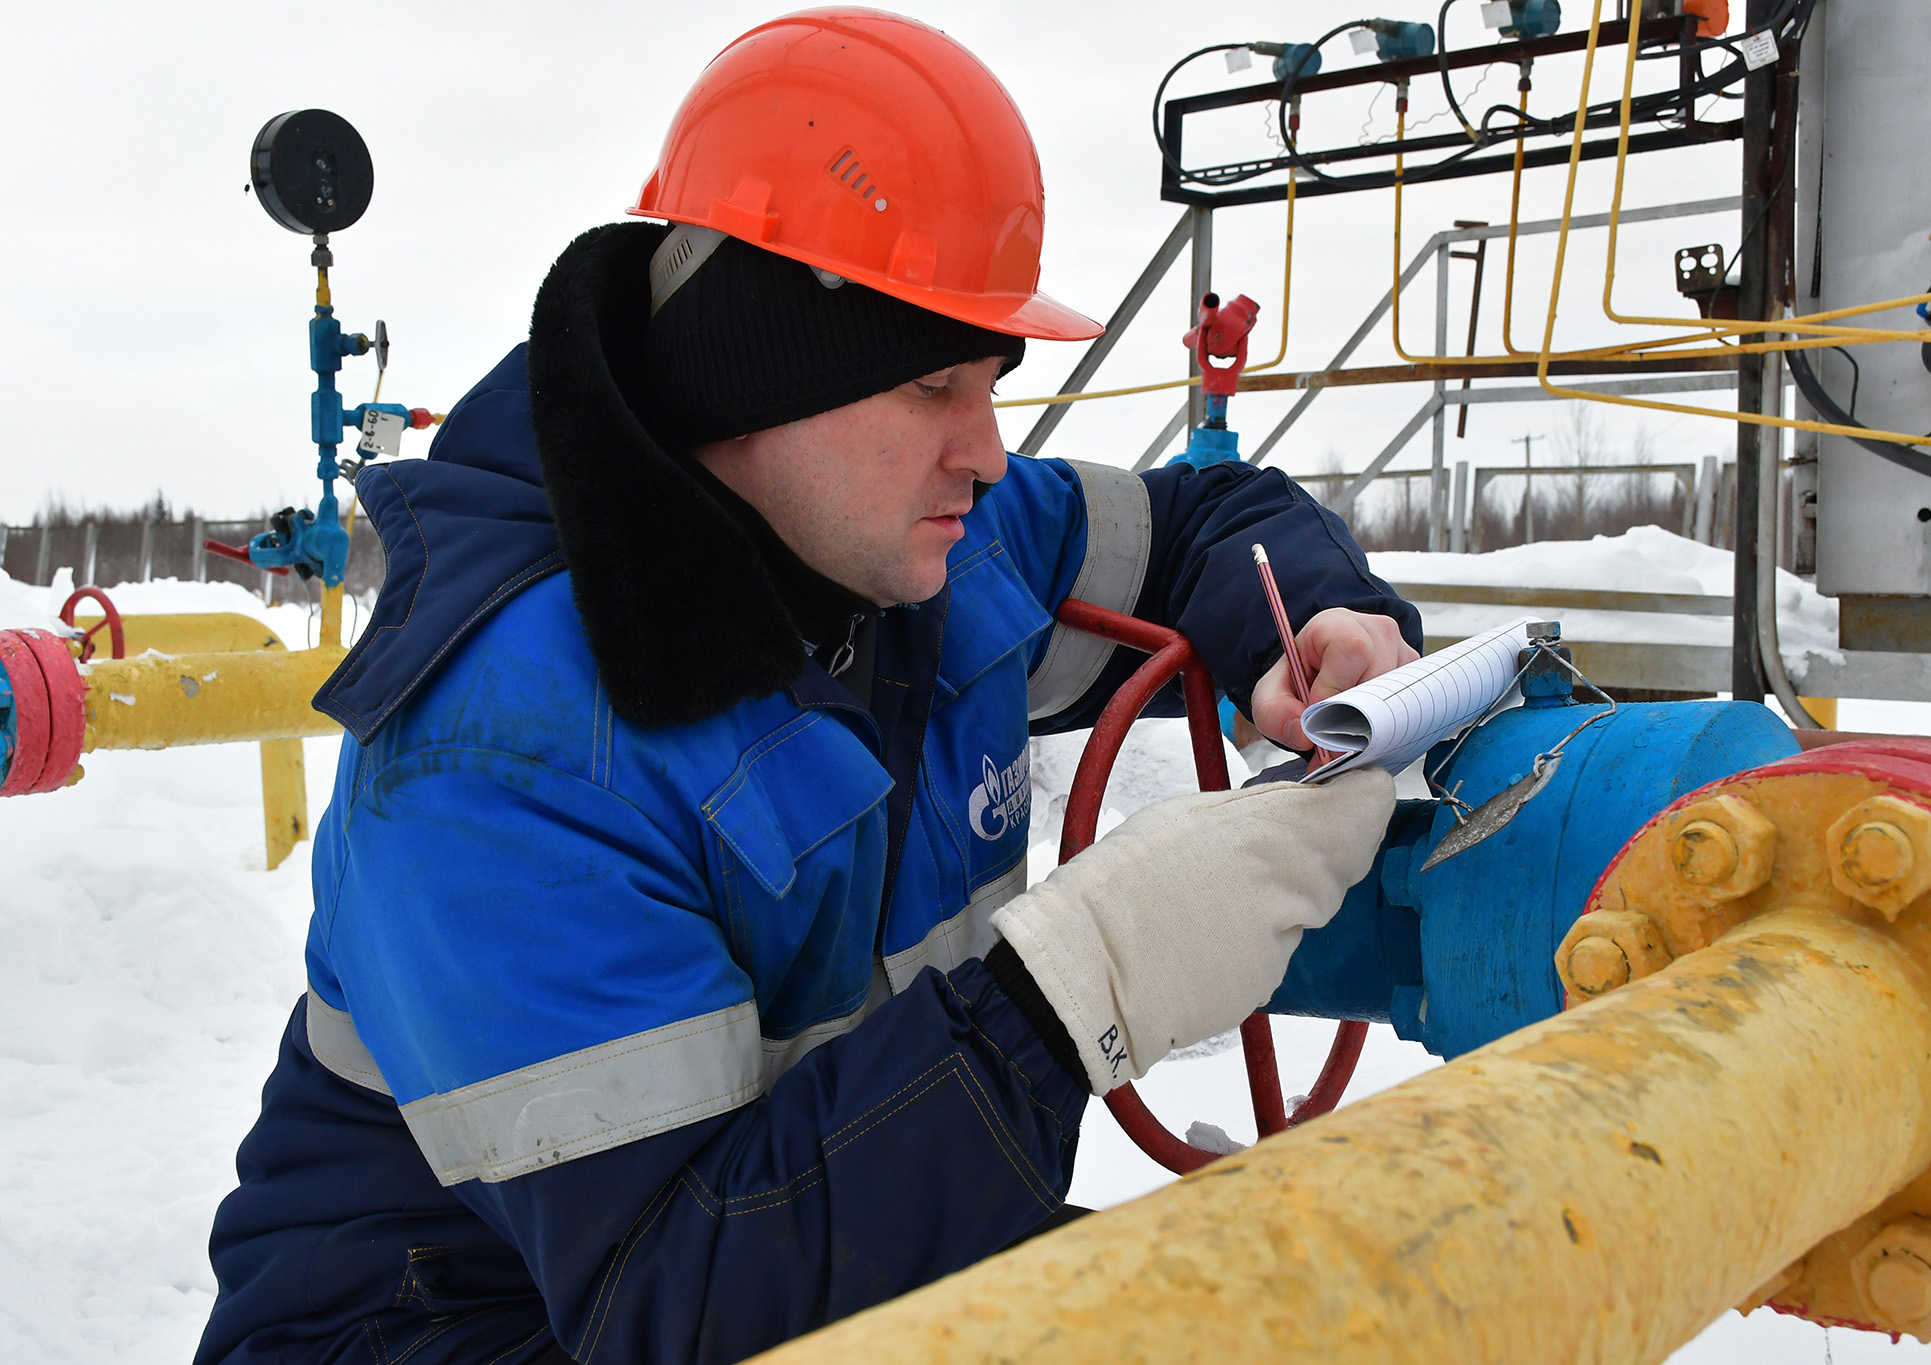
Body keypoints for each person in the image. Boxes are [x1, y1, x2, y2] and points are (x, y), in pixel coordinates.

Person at [196, 11, 1422, 1364]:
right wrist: (1087, 979)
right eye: (933, 386)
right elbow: (684, 1305)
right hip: (458, 1328)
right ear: (756, 377)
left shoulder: (904, 552)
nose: (990, 453)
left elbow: (1200, 522)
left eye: (995, 380)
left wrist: (1322, 620)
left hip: (814, 1250)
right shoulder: (505, 748)